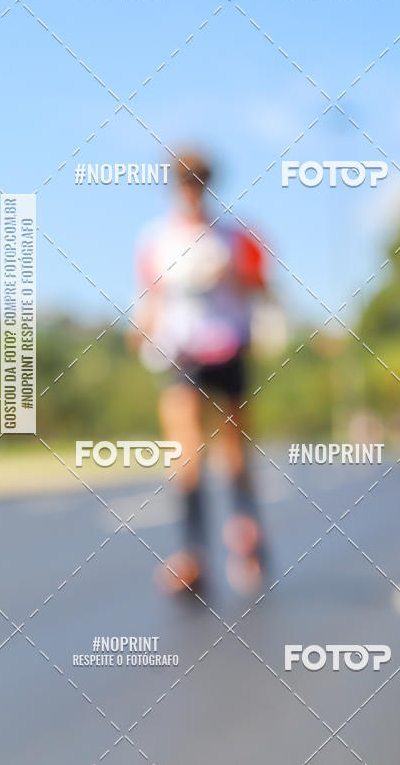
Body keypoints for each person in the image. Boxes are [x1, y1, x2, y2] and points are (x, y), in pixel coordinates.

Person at [135, 151, 268, 595]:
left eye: (197, 181)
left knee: (234, 454)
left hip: (229, 349)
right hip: (182, 355)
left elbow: (263, 287)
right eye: (183, 181)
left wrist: (232, 275)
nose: (190, 189)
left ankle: (248, 538)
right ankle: (193, 556)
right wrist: (141, 332)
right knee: (186, 455)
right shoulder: (156, 239)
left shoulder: (234, 236)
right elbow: (151, 300)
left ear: (208, 184)